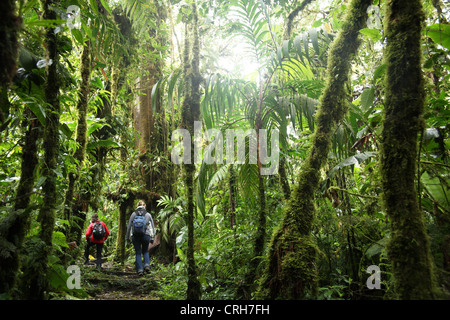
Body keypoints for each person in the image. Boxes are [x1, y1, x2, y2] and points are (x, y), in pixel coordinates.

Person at [126, 200, 155, 275]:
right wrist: (152, 237)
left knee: (138, 252)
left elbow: (129, 227)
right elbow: (152, 226)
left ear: (137, 206)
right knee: (145, 251)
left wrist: (128, 238)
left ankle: (140, 270)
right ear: (144, 206)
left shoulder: (133, 214)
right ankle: (147, 265)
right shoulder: (148, 214)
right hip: (146, 235)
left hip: (135, 236)